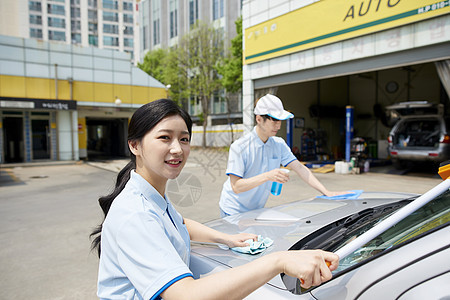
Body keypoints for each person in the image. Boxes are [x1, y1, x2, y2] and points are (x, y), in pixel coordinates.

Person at [90, 99, 339, 300]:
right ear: (135, 145)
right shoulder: (136, 213)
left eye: (184, 139)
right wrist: (279, 261)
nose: (177, 149)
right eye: (165, 138)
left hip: (254, 217)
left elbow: (180, 223)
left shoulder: (152, 197)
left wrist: (227, 238)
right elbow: (185, 296)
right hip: (236, 211)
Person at [219, 94, 349, 217]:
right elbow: (236, 186)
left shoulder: (278, 144)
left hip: (255, 210)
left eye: (280, 120)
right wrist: (267, 176)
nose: (279, 125)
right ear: (259, 119)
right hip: (233, 210)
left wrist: (326, 192)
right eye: (274, 120)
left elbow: (299, 168)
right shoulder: (240, 147)